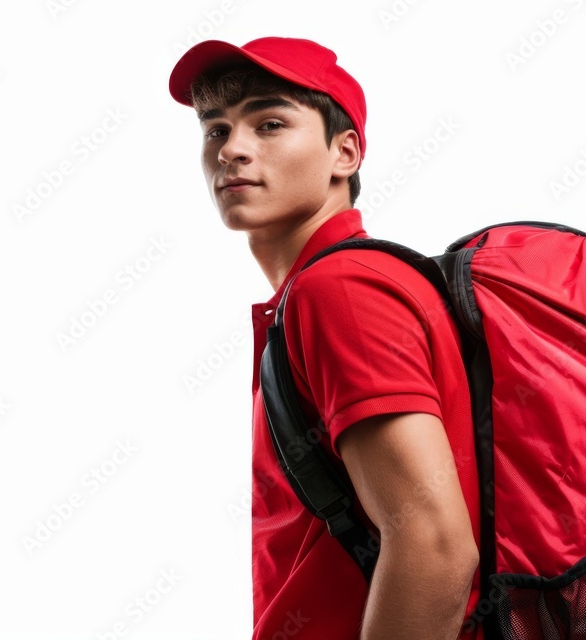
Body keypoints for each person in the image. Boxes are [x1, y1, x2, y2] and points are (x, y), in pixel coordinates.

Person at [169, 37, 483, 640]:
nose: (232, 150)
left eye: (269, 123)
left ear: (345, 153)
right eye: (215, 131)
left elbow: (435, 543)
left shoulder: (339, 290)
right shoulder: (329, 290)